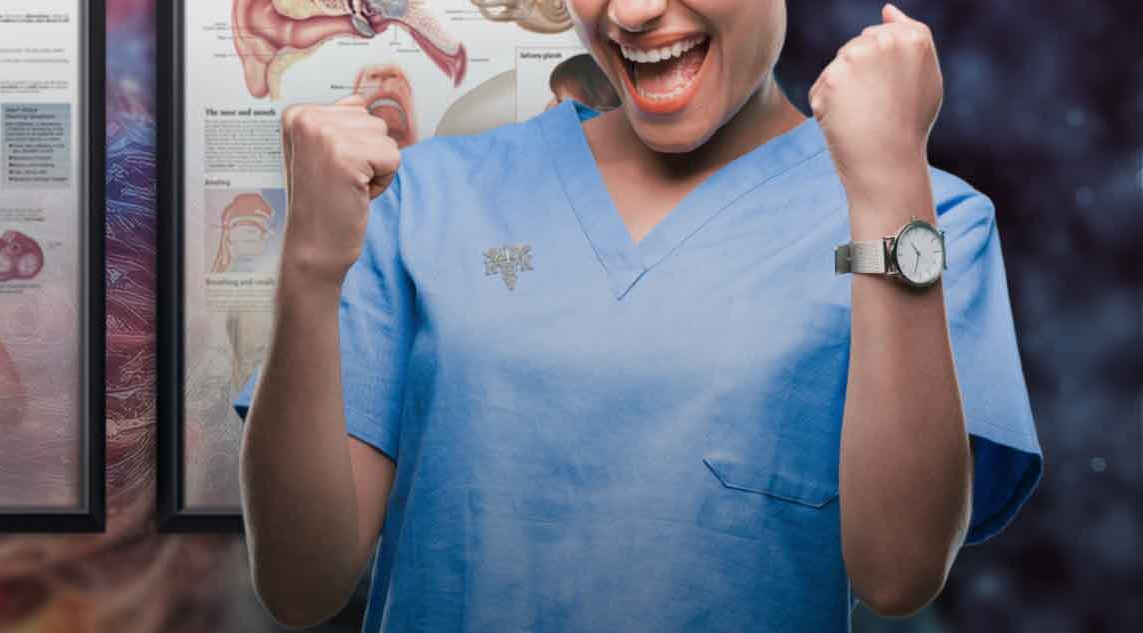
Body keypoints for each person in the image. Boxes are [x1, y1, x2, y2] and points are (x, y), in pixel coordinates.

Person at [235, 1, 1043, 631]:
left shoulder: (931, 221)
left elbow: (898, 575)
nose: (632, 12)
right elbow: (301, 583)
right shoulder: (424, 196)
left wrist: (889, 184)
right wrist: (309, 268)